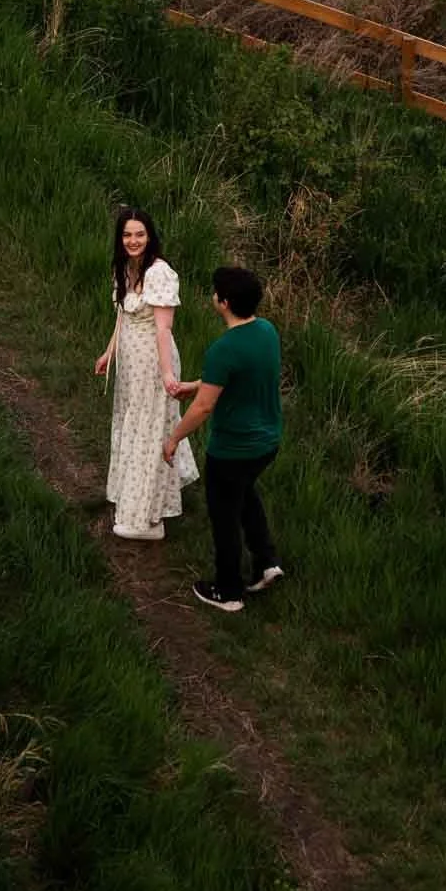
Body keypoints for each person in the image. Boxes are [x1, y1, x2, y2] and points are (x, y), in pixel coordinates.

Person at [163, 265, 284, 612]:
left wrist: (173, 438)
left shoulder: (223, 349)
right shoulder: (267, 331)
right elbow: (240, 374)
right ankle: (266, 562)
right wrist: (197, 383)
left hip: (232, 450)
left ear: (224, 302)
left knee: (225, 517)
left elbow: (202, 410)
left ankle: (228, 592)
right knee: (246, 495)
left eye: (216, 291)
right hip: (267, 443)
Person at [95, 208, 198, 540]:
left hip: (153, 363)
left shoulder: (159, 273)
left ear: (150, 236)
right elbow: (122, 317)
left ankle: (147, 519)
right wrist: (109, 351)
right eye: (127, 235)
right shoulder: (124, 268)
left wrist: (167, 373)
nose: (133, 241)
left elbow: (164, 329)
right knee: (133, 424)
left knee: (148, 429)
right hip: (129, 364)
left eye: (139, 234)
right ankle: (138, 500)